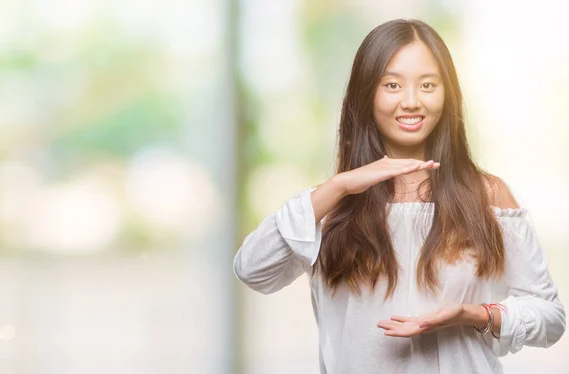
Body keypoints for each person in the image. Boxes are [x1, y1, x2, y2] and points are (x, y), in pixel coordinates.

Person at [232, 19, 566, 373]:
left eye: (427, 85)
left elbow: (550, 317)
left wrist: (474, 314)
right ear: (366, 95)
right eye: (392, 84)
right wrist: (339, 186)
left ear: (447, 93)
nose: (411, 101)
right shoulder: (331, 206)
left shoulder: (488, 195)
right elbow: (252, 270)